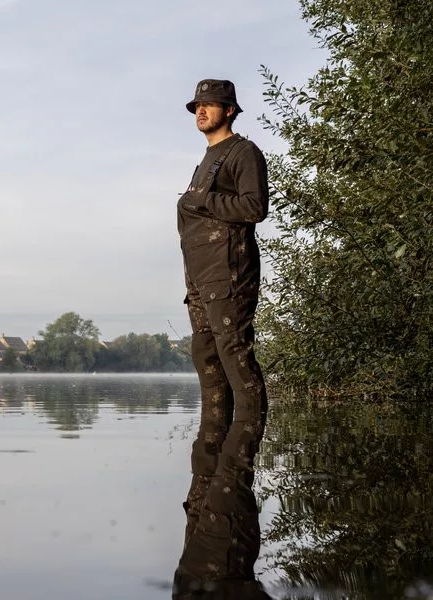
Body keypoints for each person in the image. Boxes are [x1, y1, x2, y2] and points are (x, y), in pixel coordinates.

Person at [175, 78, 269, 587]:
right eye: (197, 106)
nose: (201, 112)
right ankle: (210, 476)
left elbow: (254, 209)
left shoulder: (243, 152)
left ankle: (243, 454)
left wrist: (203, 201)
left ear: (230, 109)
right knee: (207, 366)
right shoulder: (205, 161)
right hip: (200, 279)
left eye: (209, 105)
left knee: (236, 360)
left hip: (229, 274)